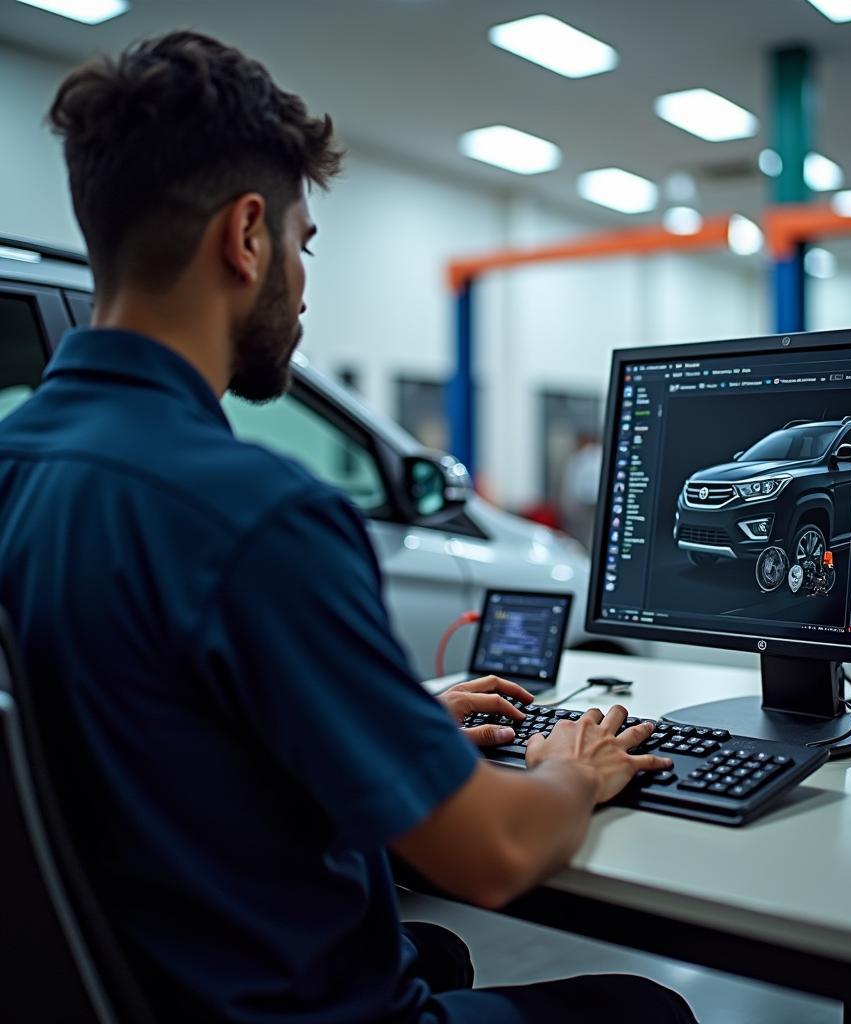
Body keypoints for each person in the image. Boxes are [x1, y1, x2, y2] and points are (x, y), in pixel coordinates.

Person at [0, 32, 697, 1024]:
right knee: (641, 1010)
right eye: (302, 244)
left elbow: (151, 741)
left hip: (137, 980)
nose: (302, 280)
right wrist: (568, 772)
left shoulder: (19, 468)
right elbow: (492, 853)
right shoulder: (254, 512)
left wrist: (397, 721)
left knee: (436, 948)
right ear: (247, 237)